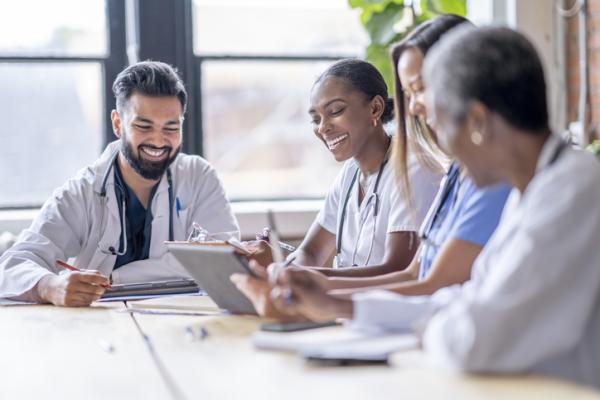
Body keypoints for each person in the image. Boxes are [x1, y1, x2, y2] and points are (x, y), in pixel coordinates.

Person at [274, 26, 600, 388]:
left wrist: (429, 324)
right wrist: (340, 305)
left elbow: (475, 338)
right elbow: (464, 299)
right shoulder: (535, 187)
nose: (444, 152)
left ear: (477, 122)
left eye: (441, 124)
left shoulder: (571, 194)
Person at [234, 14, 510, 319]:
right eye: (410, 94)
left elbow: (424, 279)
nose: (415, 107)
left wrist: (326, 293)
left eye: (421, 89)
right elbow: (415, 275)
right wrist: (302, 279)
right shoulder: (460, 177)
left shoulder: (470, 177)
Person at [0, 61, 239, 306]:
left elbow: (225, 266)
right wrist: (50, 286)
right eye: (143, 126)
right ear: (117, 124)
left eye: (171, 127)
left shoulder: (199, 177)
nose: (158, 140)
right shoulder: (82, 192)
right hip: (97, 327)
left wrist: (114, 278)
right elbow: (13, 264)